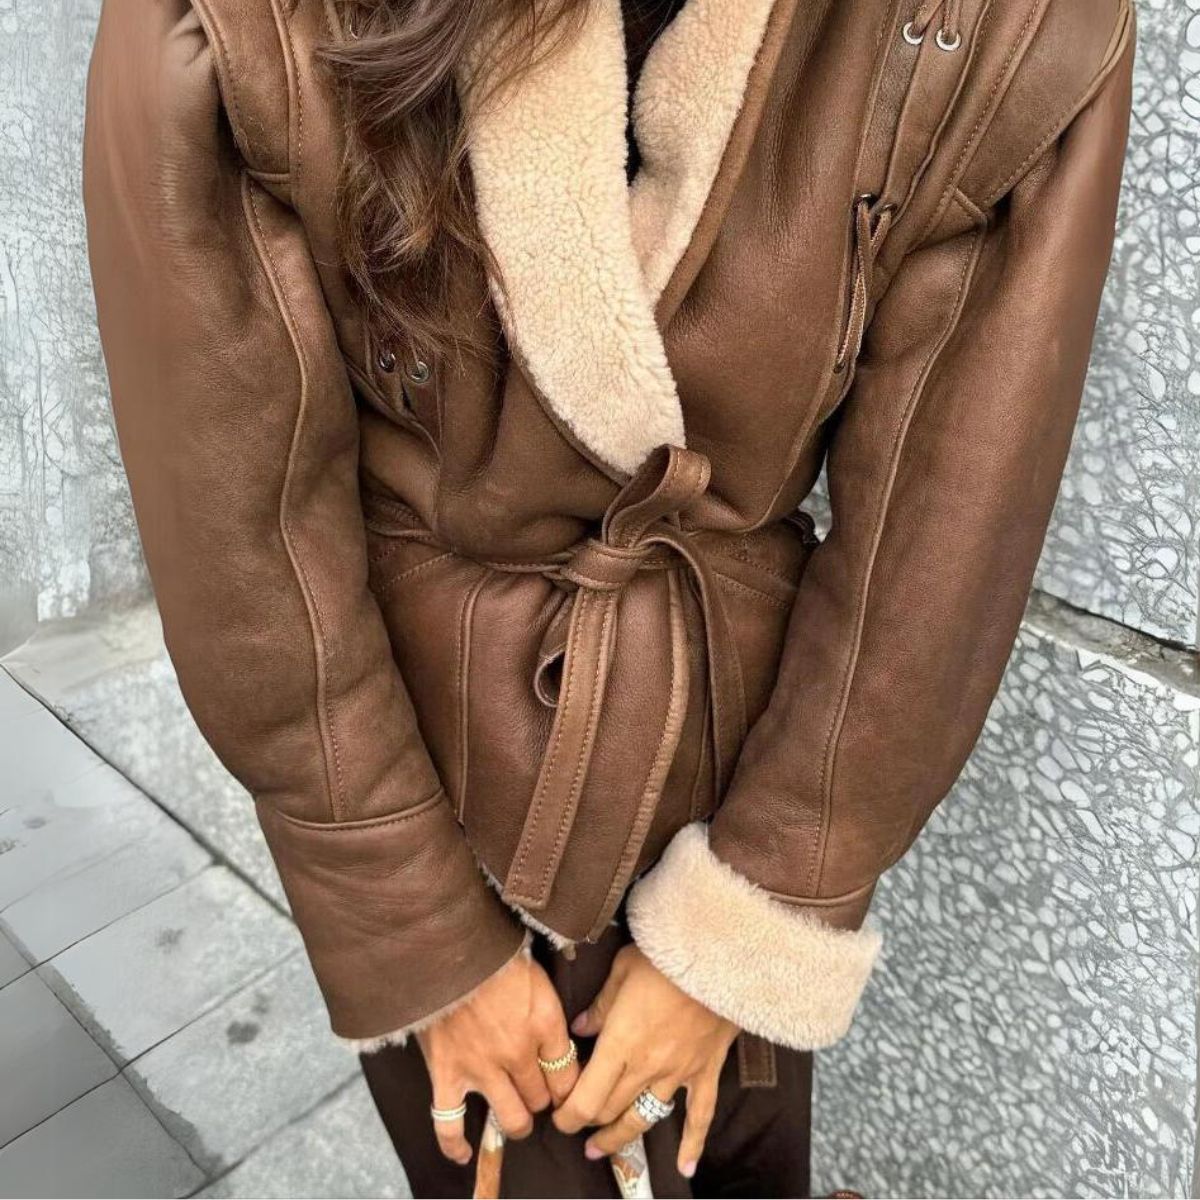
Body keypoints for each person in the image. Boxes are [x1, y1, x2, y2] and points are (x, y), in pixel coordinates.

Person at [82, 0, 1134, 1195]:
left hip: (745, 767)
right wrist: (419, 933)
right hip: (428, 772)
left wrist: (756, 912)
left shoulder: (1009, 22)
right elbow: (240, 525)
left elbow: (948, 525)